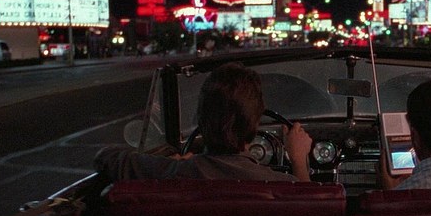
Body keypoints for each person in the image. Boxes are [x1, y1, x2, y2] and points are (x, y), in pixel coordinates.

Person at [95, 63, 312, 181]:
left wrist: (176, 162)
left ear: (201, 118)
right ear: (254, 123)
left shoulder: (175, 172)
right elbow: (310, 207)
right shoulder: (281, 186)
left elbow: (105, 158)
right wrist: (299, 160)